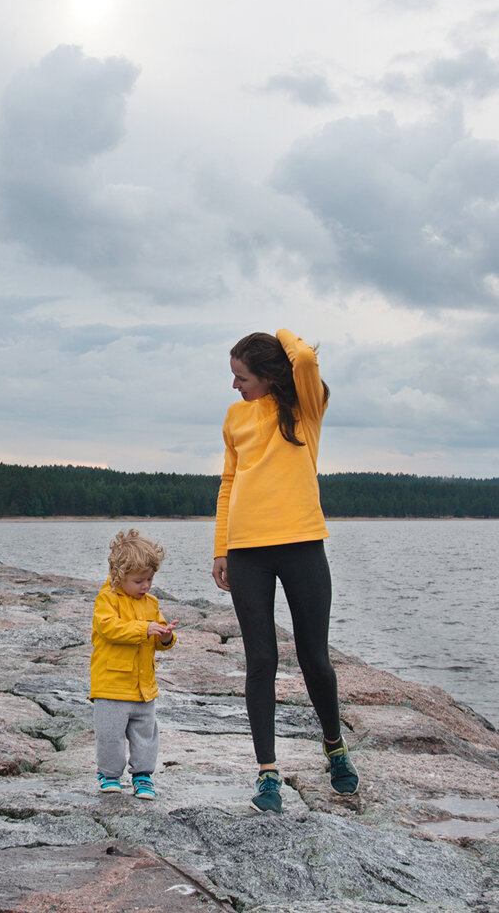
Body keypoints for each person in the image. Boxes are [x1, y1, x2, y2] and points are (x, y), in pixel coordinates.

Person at [211, 329, 359, 815]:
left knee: (314, 657)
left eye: (242, 376)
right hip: (248, 551)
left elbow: (305, 356)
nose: (235, 386)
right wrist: (222, 549)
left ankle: (334, 747)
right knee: (261, 661)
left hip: (302, 547)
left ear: (270, 375)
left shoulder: (306, 408)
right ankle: (267, 775)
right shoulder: (235, 416)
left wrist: (276, 336)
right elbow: (229, 482)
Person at [90, 528, 178, 799]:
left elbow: (158, 637)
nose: (146, 586)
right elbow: (110, 629)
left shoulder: (151, 603)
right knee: (110, 735)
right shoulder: (107, 600)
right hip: (111, 685)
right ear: (119, 577)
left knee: (145, 734)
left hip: (143, 687)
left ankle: (143, 775)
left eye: (150, 579)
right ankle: (109, 774)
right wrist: (144, 629)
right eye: (139, 581)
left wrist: (165, 636)